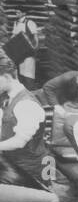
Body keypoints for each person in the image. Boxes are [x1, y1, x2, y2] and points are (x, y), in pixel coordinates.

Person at [0, 51, 49, 187]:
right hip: (13, 163)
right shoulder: (6, 97)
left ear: (6, 76)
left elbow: (19, 142)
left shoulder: (26, 104)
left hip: (31, 170)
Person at [2, 16, 39, 90]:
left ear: (23, 13)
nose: (16, 14)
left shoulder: (30, 23)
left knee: (29, 75)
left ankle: (30, 91)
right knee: (21, 75)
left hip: (28, 54)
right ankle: (24, 90)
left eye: (18, 12)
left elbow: (35, 38)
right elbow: (13, 36)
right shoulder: (16, 23)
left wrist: (35, 49)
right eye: (16, 12)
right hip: (19, 54)